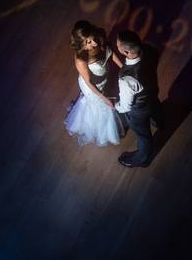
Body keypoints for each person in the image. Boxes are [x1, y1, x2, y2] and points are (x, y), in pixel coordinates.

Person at [64, 21, 123, 147]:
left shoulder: (100, 37)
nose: (95, 43)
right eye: (89, 42)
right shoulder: (81, 59)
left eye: (93, 38)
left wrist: (123, 69)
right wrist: (104, 97)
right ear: (81, 45)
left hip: (104, 79)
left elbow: (110, 53)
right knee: (101, 109)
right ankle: (102, 131)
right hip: (93, 88)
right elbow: (89, 82)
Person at [115, 30, 156, 167]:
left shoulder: (126, 79)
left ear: (126, 52)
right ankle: (159, 120)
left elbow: (126, 106)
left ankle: (142, 159)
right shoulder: (149, 50)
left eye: (118, 44)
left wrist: (116, 105)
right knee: (156, 108)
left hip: (139, 110)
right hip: (152, 93)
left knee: (143, 135)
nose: (116, 44)